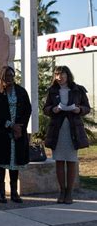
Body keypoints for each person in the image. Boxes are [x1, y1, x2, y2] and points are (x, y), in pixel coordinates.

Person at [43, 66, 90, 204]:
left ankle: (69, 193)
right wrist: (54, 109)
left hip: (73, 130)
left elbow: (87, 107)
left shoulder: (78, 89)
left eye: (62, 74)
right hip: (57, 130)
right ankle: (61, 191)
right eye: (57, 75)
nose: (59, 77)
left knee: (71, 161)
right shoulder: (52, 91)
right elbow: (46, 109)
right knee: (59, 161)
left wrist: (78, 109)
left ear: (67, 75)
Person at [0, 66, 32, 203]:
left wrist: (19, 127)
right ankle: (1, 192)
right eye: (7, 76)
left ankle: (14, 192)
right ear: (1, 77)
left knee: (14, 163)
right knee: (1, 163)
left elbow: (27, 110)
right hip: (1, 132)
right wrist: (9, 125)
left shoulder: (21, 92)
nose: (9, 78)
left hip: (17, 132)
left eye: (12, 75)